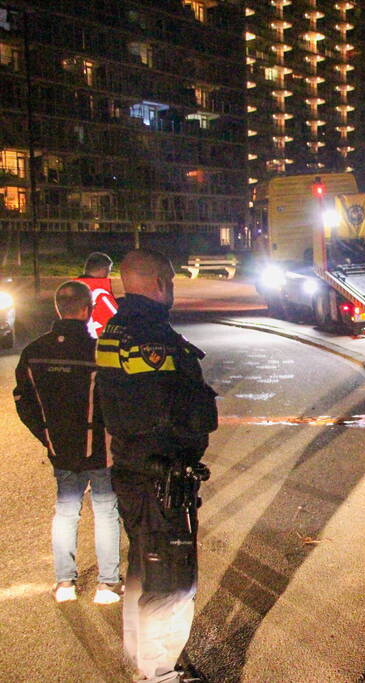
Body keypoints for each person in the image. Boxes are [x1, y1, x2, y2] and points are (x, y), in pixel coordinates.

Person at [96, 249, 217, 683]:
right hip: (160, 470)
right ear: (161, 282)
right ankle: (159, 671)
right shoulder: (153, 336)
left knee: (145, 568)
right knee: (172, 578)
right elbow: (167, 404)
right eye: (171, 280)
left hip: (131, 467)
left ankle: (143, 660)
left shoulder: (115, 327)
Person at [14, 281, 122, 605]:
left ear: (58, 308)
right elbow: (115, 401)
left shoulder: (33, 352)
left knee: (66, 511)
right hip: (99, 447)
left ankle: (64, 584)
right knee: (105, 512)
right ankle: (107, 585)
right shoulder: (99, 351)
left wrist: (46, 435)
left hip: (61, 447)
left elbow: (24, 401)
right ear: (88, 310)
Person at [76, 251, 118, 339]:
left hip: (76, 339)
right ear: (103, 270)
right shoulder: (101, 294)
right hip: (97, 345)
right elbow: (117, 319)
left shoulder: (72, 290)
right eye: (108, 271)